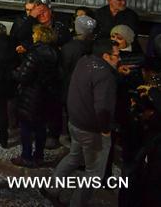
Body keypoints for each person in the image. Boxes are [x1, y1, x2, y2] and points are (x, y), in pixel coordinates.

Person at [46, 39, 120, 207]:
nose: (119, 58)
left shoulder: (84, 61)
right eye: (116, 55)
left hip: (75, 123)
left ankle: (52, 189)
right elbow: (103, 108)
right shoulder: (105, 76)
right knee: (94, 173)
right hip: (92, 130)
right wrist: (106, 131)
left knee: (74, 157)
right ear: (106, 56)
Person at [11, 24, 61, 168]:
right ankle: (39, 156)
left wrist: (14, 72)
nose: (32, 36)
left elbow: (23, 76)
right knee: (41, 128)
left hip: (31, 96)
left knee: (26, 128)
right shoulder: (55, 53)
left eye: (34, 34)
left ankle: (26, 156)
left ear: (39, 36)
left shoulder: (35, 53)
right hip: (47, 95)